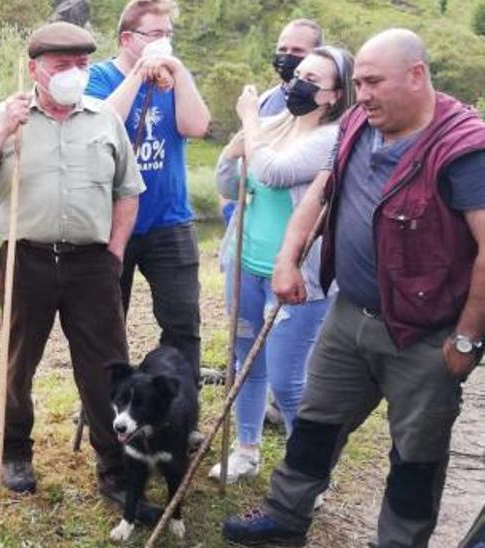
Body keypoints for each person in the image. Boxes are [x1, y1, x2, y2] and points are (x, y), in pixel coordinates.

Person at [223, 29, 485, 547]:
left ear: (417, 76)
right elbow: (322, 191)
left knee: (416, 453)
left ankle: (398, 542)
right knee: (317, 423)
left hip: (425, 335)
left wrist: (466, 339)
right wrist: (287, 259)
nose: (360, 94)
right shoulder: (361, 124)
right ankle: (285, 517)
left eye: (372, 82)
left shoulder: (464, 148)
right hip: (351, 313)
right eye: (357, 82)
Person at [0, 22, 147, 511]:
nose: (74, 74)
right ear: (35, 69)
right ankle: (14, 450)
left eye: (81, 65)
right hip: (26, 258)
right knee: (17, 364)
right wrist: (2, 132)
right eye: (62, 67)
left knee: (107, 369)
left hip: (93, 263)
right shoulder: (6, 117)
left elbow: (128, 191)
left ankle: (115, 465)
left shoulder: (105, 118)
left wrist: (116, 250)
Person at [209, 46, 355, 484]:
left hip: (298, 278)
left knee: (289, 382)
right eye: (299, 75)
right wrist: (236, 148)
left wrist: (249, 123)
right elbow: (229, 179)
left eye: (314, 79)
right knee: (244, 363)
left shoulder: (331, 139)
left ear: (333, 95)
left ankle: (306, 474)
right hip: (245, 266)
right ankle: (246, 450)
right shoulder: (275, 124)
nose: (298, 84)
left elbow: (273, 171)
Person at [86, 0, 212, 383]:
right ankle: (108, 408)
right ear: (128, 38)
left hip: (169, 221)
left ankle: (178, 412)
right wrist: (139, 75)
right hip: (110, 223)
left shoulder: (174, 80)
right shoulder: (100, 77)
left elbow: (196, 126)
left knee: (183, 322)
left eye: (168, 34)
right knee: (105, 324)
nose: (164, 41)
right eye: (155, 34)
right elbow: (99, 125)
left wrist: (179, 73)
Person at [258, 19, 325, 117]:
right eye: (282, 49)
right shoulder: (264, 101)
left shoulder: (327, 103)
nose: (288, 55)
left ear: (318, 54)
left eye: (297, 50)